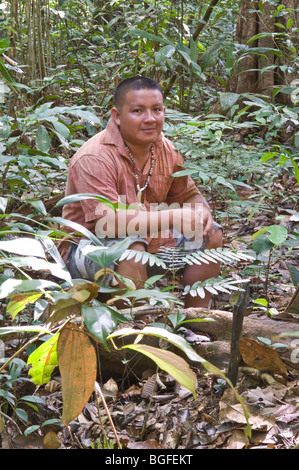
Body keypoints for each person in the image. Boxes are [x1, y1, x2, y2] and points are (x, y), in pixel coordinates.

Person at [58, 76, 222, 308]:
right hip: (87, 250)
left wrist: (202, 210)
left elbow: (188, 194)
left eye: (156, 110)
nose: (150, 119)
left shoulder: (166, 149)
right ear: (117, 116)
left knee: (211, 233)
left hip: (150, 240)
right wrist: (174, 216)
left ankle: (197, 321)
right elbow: (108, 222)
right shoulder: (95, 156)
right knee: (132, 247)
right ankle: (136, 329)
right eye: (137, 111)